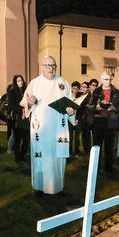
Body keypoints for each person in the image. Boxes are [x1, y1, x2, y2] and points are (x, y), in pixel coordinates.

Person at [20, 56, 76, 195]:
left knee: (57, 158)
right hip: (41, 129)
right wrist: (30, 103)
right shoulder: (35, 83)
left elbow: (71, 103)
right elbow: (24, 104)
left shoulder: (62, 82)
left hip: (58, 129)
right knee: (41, 156)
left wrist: (71, 111)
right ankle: (39, 186)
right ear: (42, 67)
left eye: (53, 65)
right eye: (47, 65)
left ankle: (57, 186)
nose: (51, 68)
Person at [86, 72, 119, 173]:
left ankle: (108, 167)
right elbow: (90, 106)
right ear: (102, 80)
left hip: (112, 120)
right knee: (96, 145)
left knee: (109, 146)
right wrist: (96, 107)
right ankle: (96, 167)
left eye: (110, 79)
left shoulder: (117, 92)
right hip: (98, 121)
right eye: (106, 79)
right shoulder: (96, 91)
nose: (108, 81)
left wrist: (114, 108)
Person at [8, 74, 29, 163]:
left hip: (25, 118)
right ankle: (17, 157)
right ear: (15, 82)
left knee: (26, 139)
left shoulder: (26, 90)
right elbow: (11, 106)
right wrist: (21, 111)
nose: (20, 82)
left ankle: (22, 155)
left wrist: (26, 111)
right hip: (17, 118)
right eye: (18, 80)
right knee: (17, 139)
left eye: (21, 80)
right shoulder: (12, 91)